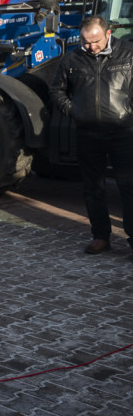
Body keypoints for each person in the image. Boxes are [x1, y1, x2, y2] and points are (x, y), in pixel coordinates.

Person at [49, 15, 133, 255]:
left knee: (129, 187)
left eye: (95, 41)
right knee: (92, 187)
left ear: (108, 33)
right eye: (86, 42)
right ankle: (100, 236)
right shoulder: (72, 59)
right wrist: (73, 111)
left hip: (124, 133)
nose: (91, 47)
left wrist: (129, 114)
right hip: (88, 133)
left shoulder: (129, 54)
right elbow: (57, 90)